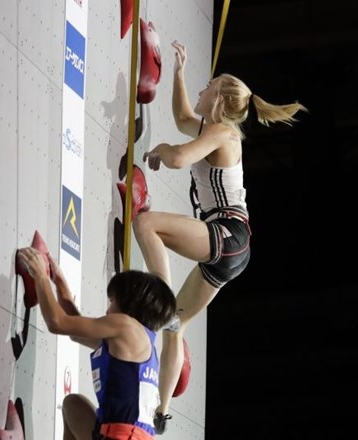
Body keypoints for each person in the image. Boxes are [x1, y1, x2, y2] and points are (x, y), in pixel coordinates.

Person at [132, 40, 308, 434]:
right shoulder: (215, 130)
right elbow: (180, 116)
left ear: (220, 98)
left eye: (207, 85)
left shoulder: (225, 134)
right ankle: (159, 415)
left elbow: (178, 158)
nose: (201, 88)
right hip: (235, 246)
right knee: (176, 323)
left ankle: (156, 301)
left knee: (146, 225)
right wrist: (177, 70)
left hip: (229, 234)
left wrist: (162, 149)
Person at [17, 247, 177, 440]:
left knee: (73, 406)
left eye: (112, 301)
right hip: (124, 436)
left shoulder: (126, 326)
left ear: (130, 304)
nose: (108, 310)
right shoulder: (139, 341)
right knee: (73, 406)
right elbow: (76, 334)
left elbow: (56, 322)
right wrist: (60, 284)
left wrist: (40, 275)